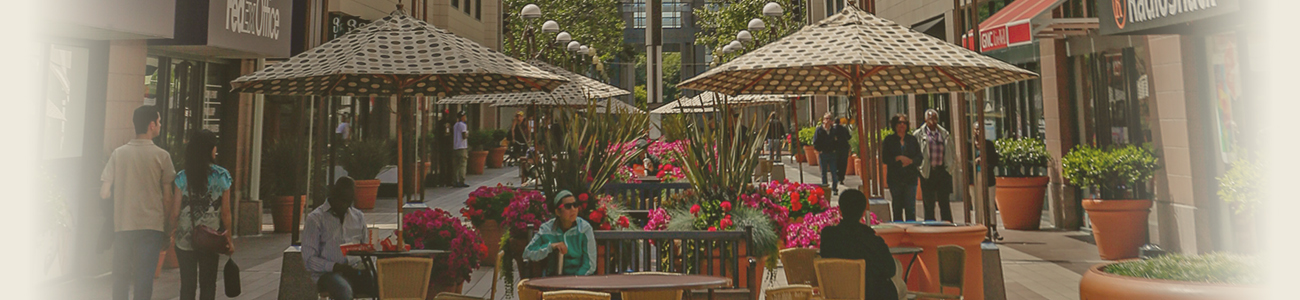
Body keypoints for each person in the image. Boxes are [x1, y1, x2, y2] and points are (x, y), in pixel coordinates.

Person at [101, 106, 176, 300]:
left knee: (120, 278)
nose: (159, 125)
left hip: (123, 224)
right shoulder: (162, 156)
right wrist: (168, 226)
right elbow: (168, 197)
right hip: (151, 226)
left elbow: (104, 192)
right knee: (144, 280)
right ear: (152, 125)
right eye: (158, 122)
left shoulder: (118, 154)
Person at [170, 130, 234, 300]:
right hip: (210, 239)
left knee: (187, 285)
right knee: (208, 285)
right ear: (209, 149)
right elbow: (226, 213)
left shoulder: (182, 177)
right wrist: (229, 238)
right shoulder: (222, 176)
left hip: (185, 238)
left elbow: (175, 212)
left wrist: (170, 231)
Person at [302, 177, 373, 300]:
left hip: (354, 269)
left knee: (382, 284)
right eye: (342, 201)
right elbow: (309, 260)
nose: (345, 205)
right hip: (328, 274)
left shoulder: (358, 217)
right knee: (343, 290)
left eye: (348, 202)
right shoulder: (316, 219)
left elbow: (365, 248)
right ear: (333, 197)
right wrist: (335, 266)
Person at [819, 189, 897, 300]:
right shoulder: (872, 240)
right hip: (870, 295)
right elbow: (890, 270)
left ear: (840, 210)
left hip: (836, 294)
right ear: (863, 213)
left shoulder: (828, 236)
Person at [523, 190, 597, 276]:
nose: (573, 209)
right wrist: (551, 247)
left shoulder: (584, 228)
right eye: (568, 206)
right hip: (553, 279)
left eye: (575, 205)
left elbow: (590, 265)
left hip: (578, 280)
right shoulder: (546, 229)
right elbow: (528, 253)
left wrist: (574, 281)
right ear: (558, 212)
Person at [913, 109, 956, 222]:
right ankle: (930, 226)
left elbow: (951, 152)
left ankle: (947, 226)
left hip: (942, 171)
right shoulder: (918, 134)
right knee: (929, 203)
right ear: (925, 120)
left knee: (944, 202)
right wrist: (920, 168)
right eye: (930, 118)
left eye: (935, 118)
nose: (933, 121)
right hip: (927, 172)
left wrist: (949, 169)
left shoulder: (944, 134)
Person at [882, 114, 921, 221]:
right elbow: (885, 158)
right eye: (899, 123)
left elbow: (920, 157)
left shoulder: (912, 140)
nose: (902, 125)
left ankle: (911, 232)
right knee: (897, 208)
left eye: (904, 123)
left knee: (910, 209)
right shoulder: (889, 140)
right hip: (895, 179)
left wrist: (911, 161)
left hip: (910, 179)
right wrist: (897, 158)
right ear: (894, 125)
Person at [969, 122, 1000, 224]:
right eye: (976, 129)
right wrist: (975, 161)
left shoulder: (989, 145)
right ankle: (979, 224)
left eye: (980, 129)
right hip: (975, 177)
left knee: (990, 203)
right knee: (977, 203)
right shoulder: (969, 145)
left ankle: (993, 226)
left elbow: (995, 160)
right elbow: (966, 161)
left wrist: (986, 162)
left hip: (988, 177)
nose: (978, 131)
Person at [813, 113, 839, 195]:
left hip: (832, 154)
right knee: (823, 172)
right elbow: (815, 142)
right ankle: (825, 189)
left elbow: (838, 141)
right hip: (823, 153)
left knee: (834, 172)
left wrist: (836, 149)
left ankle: (834, 188)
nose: (827, 121)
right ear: (823, 120)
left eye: (829, 119)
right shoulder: (819, 130)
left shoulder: (834, 131)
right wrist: (819, 150)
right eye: (826, 119)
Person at [833, 117, 852, 186]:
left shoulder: (833, 129)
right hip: (844, 148)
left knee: (836, 163)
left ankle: (837, 176)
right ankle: (842, 178)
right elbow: (849, 137)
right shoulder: (844, 129)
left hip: (836, 148)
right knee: (843, 163)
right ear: (840, 122)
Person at [452, 111, 470, 188]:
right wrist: (467, 134)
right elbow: (464, 136)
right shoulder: (463, 125)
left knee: (456, 166)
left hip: (455, 147)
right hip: (462, 147)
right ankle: (462, 181)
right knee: (462, 165)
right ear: (462, 117)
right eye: (464, 116)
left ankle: (455, 181)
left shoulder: (455, 125)